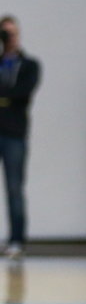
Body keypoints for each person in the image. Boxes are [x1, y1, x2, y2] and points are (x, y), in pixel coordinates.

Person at [0, 16, 39, 260]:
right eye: (4, 34)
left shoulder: (29, 64)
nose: (9, 38)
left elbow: (22, 93)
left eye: (12, 33)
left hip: (14, 133)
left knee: (15, 188)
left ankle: (17, 240)